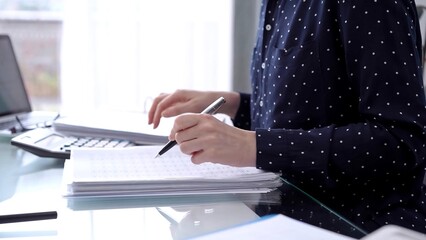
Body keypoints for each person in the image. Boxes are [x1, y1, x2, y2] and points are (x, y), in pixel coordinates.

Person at [148, 0, 426, 234]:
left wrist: (253, 146)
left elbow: (401, 141)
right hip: (281, 216)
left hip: (358, 224)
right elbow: (308, 114)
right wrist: (234, 104)